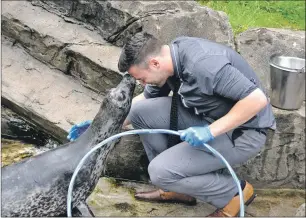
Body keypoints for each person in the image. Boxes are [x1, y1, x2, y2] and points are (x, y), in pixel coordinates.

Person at [69, 33, 276, 217]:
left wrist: (209, 131)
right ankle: (177, 187)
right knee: (137, 111)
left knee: (159, 172)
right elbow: (142, 102)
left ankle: (233, 193)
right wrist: (99, 126)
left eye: (142, 78)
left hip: (242, 131)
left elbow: (257, 100)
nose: (142, 83)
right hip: (205, 116)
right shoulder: (170, 58)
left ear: (154, 64)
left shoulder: (204, 66)